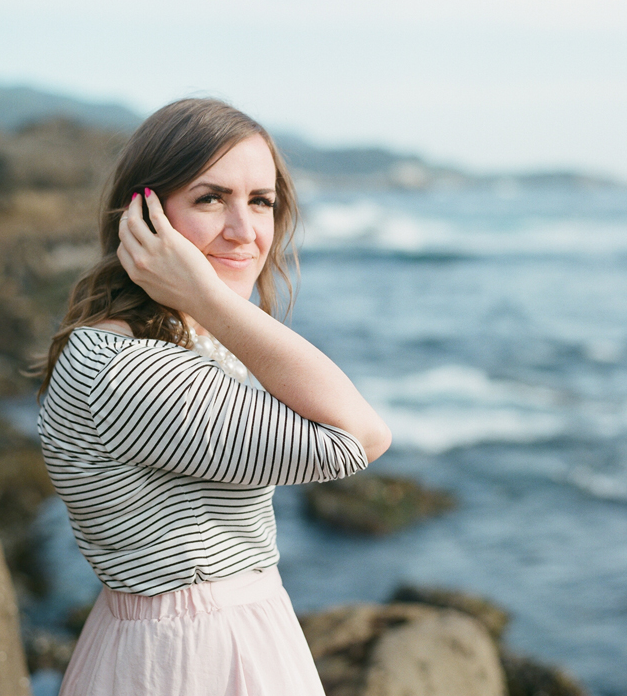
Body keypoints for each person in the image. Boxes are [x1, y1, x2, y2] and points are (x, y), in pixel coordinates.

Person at [36, 98, 392, 695]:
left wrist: (206, 306)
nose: (244, 230)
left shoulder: (180, 342)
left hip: (202, 640)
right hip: (194, 660)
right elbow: (361, 437)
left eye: (261, 201)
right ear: (144, 216)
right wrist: (211, 297)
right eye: (210, 198)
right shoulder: (129, 369)